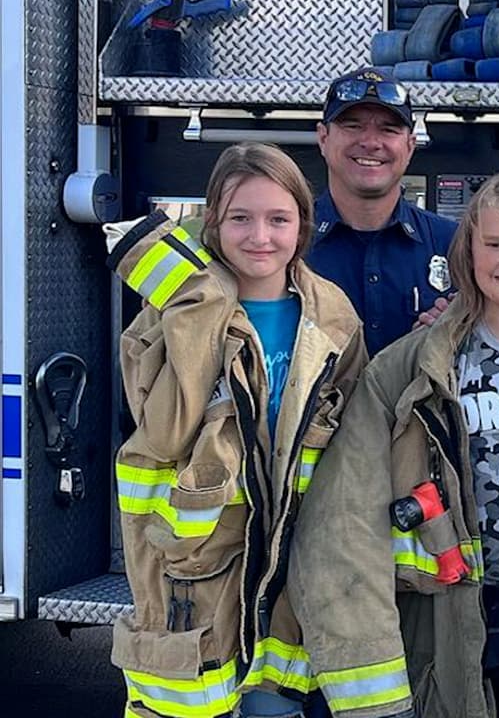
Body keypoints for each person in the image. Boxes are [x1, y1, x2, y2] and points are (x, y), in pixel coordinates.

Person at [289, 173, 499, 718]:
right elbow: (343, 519)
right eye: (493, 244)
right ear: (466, 252)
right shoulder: (410, 366)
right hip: (453, 616)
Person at [107, 142, 368, 718]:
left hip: (292, 558)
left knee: (275, 705)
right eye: (240, 218)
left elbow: (354, 443)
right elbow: (166, 432)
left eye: (279, 219)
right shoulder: (172, 315)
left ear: (304, 225)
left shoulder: (334, 315)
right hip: (193, 561)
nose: (260, 236)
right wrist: (201, 315)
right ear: (213, 223)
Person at [308, 67, 457, 356]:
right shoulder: (286, 243)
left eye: (388, 129)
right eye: (353, 126)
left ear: (410, 146)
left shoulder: (455, 244)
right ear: (323, 138)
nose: (371, 142)